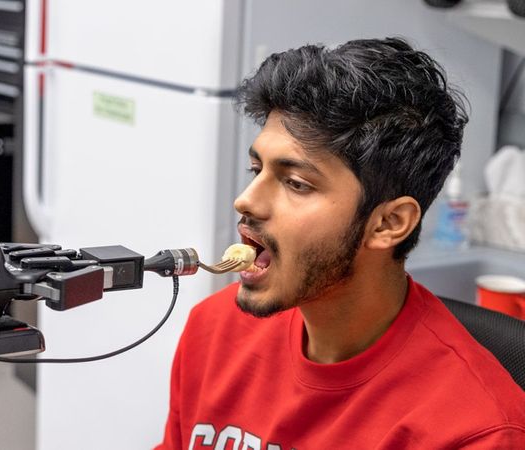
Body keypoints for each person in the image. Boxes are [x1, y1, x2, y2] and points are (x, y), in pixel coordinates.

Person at [155, 37, 525, 449]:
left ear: (388, 223)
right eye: (255, 168)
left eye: (296, 183)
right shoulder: (215, 329)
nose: (246, 200)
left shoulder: (474, 431)